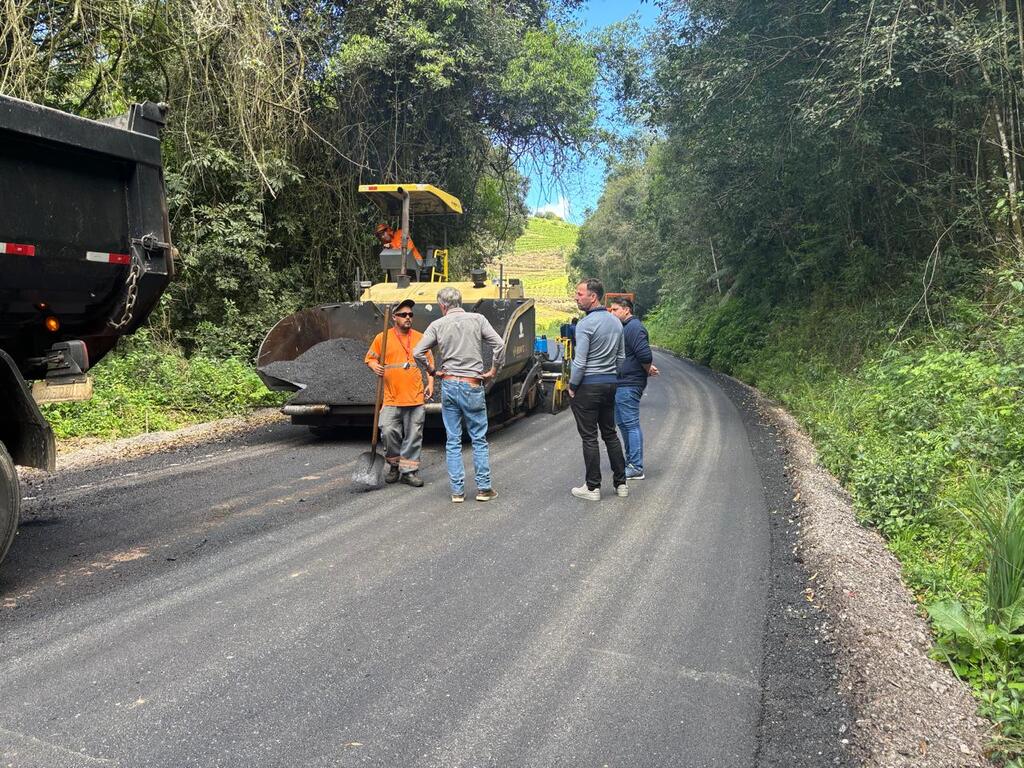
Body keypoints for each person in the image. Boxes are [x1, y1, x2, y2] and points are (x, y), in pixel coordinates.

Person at [413, 287, 505, 503]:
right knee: (478, 439)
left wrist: (432, 371)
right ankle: (483, 489)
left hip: (449, 384)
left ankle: (457, 492)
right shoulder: (478, 319)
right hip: (472, 384)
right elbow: (499, 345)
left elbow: (417, 352)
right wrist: (493, 371)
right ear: (460, 302)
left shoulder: (437, 325)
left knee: (453, 440)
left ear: (442, 306)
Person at [568, 278, 628, 501]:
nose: (577, 297)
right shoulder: (615, 322)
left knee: (589, 437)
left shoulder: (585, 324)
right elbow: (621, 357)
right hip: (610, 383)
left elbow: (580, 362)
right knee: (610, 433)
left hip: (589, 385)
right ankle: (621, 484)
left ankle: (592, 487)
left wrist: (572, 385)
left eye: (580, 293)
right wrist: (612, 375)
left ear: (593, 297)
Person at [364, 298, 433, 487]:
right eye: (403, 315)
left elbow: (429, 364)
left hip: (415, 396)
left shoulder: (420, 338)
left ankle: (409, 471)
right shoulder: (382, 338)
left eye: (410, 314)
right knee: (387, 430)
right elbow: (370, 358)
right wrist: (374, 366)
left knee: (414, 434)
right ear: (394, 317)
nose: (408, 317)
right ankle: (394, 465)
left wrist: (431, 383)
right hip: (392, 397)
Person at [608, 296, 658, 480]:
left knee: (630, 424)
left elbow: (645, 355)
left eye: (615, 310)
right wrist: (647, 368)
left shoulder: (634, 327)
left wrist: (646, 369)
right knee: (623, 423)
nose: (611, 313)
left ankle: (636, 466)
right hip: (623, 383)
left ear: (626, 310)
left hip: (629, 383)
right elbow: (635, 355)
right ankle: (631, 462)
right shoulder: (626, 328)